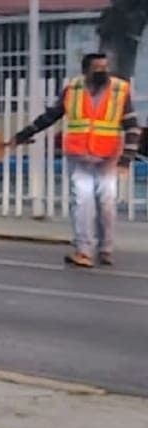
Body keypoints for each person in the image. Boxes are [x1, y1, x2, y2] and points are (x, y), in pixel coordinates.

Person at [14, 52, 141, 268]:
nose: (102, 72)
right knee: (82, 202)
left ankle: (106, 249)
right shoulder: (73, 89)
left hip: (108, 156)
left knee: (106, 203)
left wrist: (126, 158)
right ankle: (84, 250)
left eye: (105, 67)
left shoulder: (120, 90)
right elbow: (52, 115)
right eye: (97, 68)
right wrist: (27, 132)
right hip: (79, 155)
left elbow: (131, 125)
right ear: (85, 71)